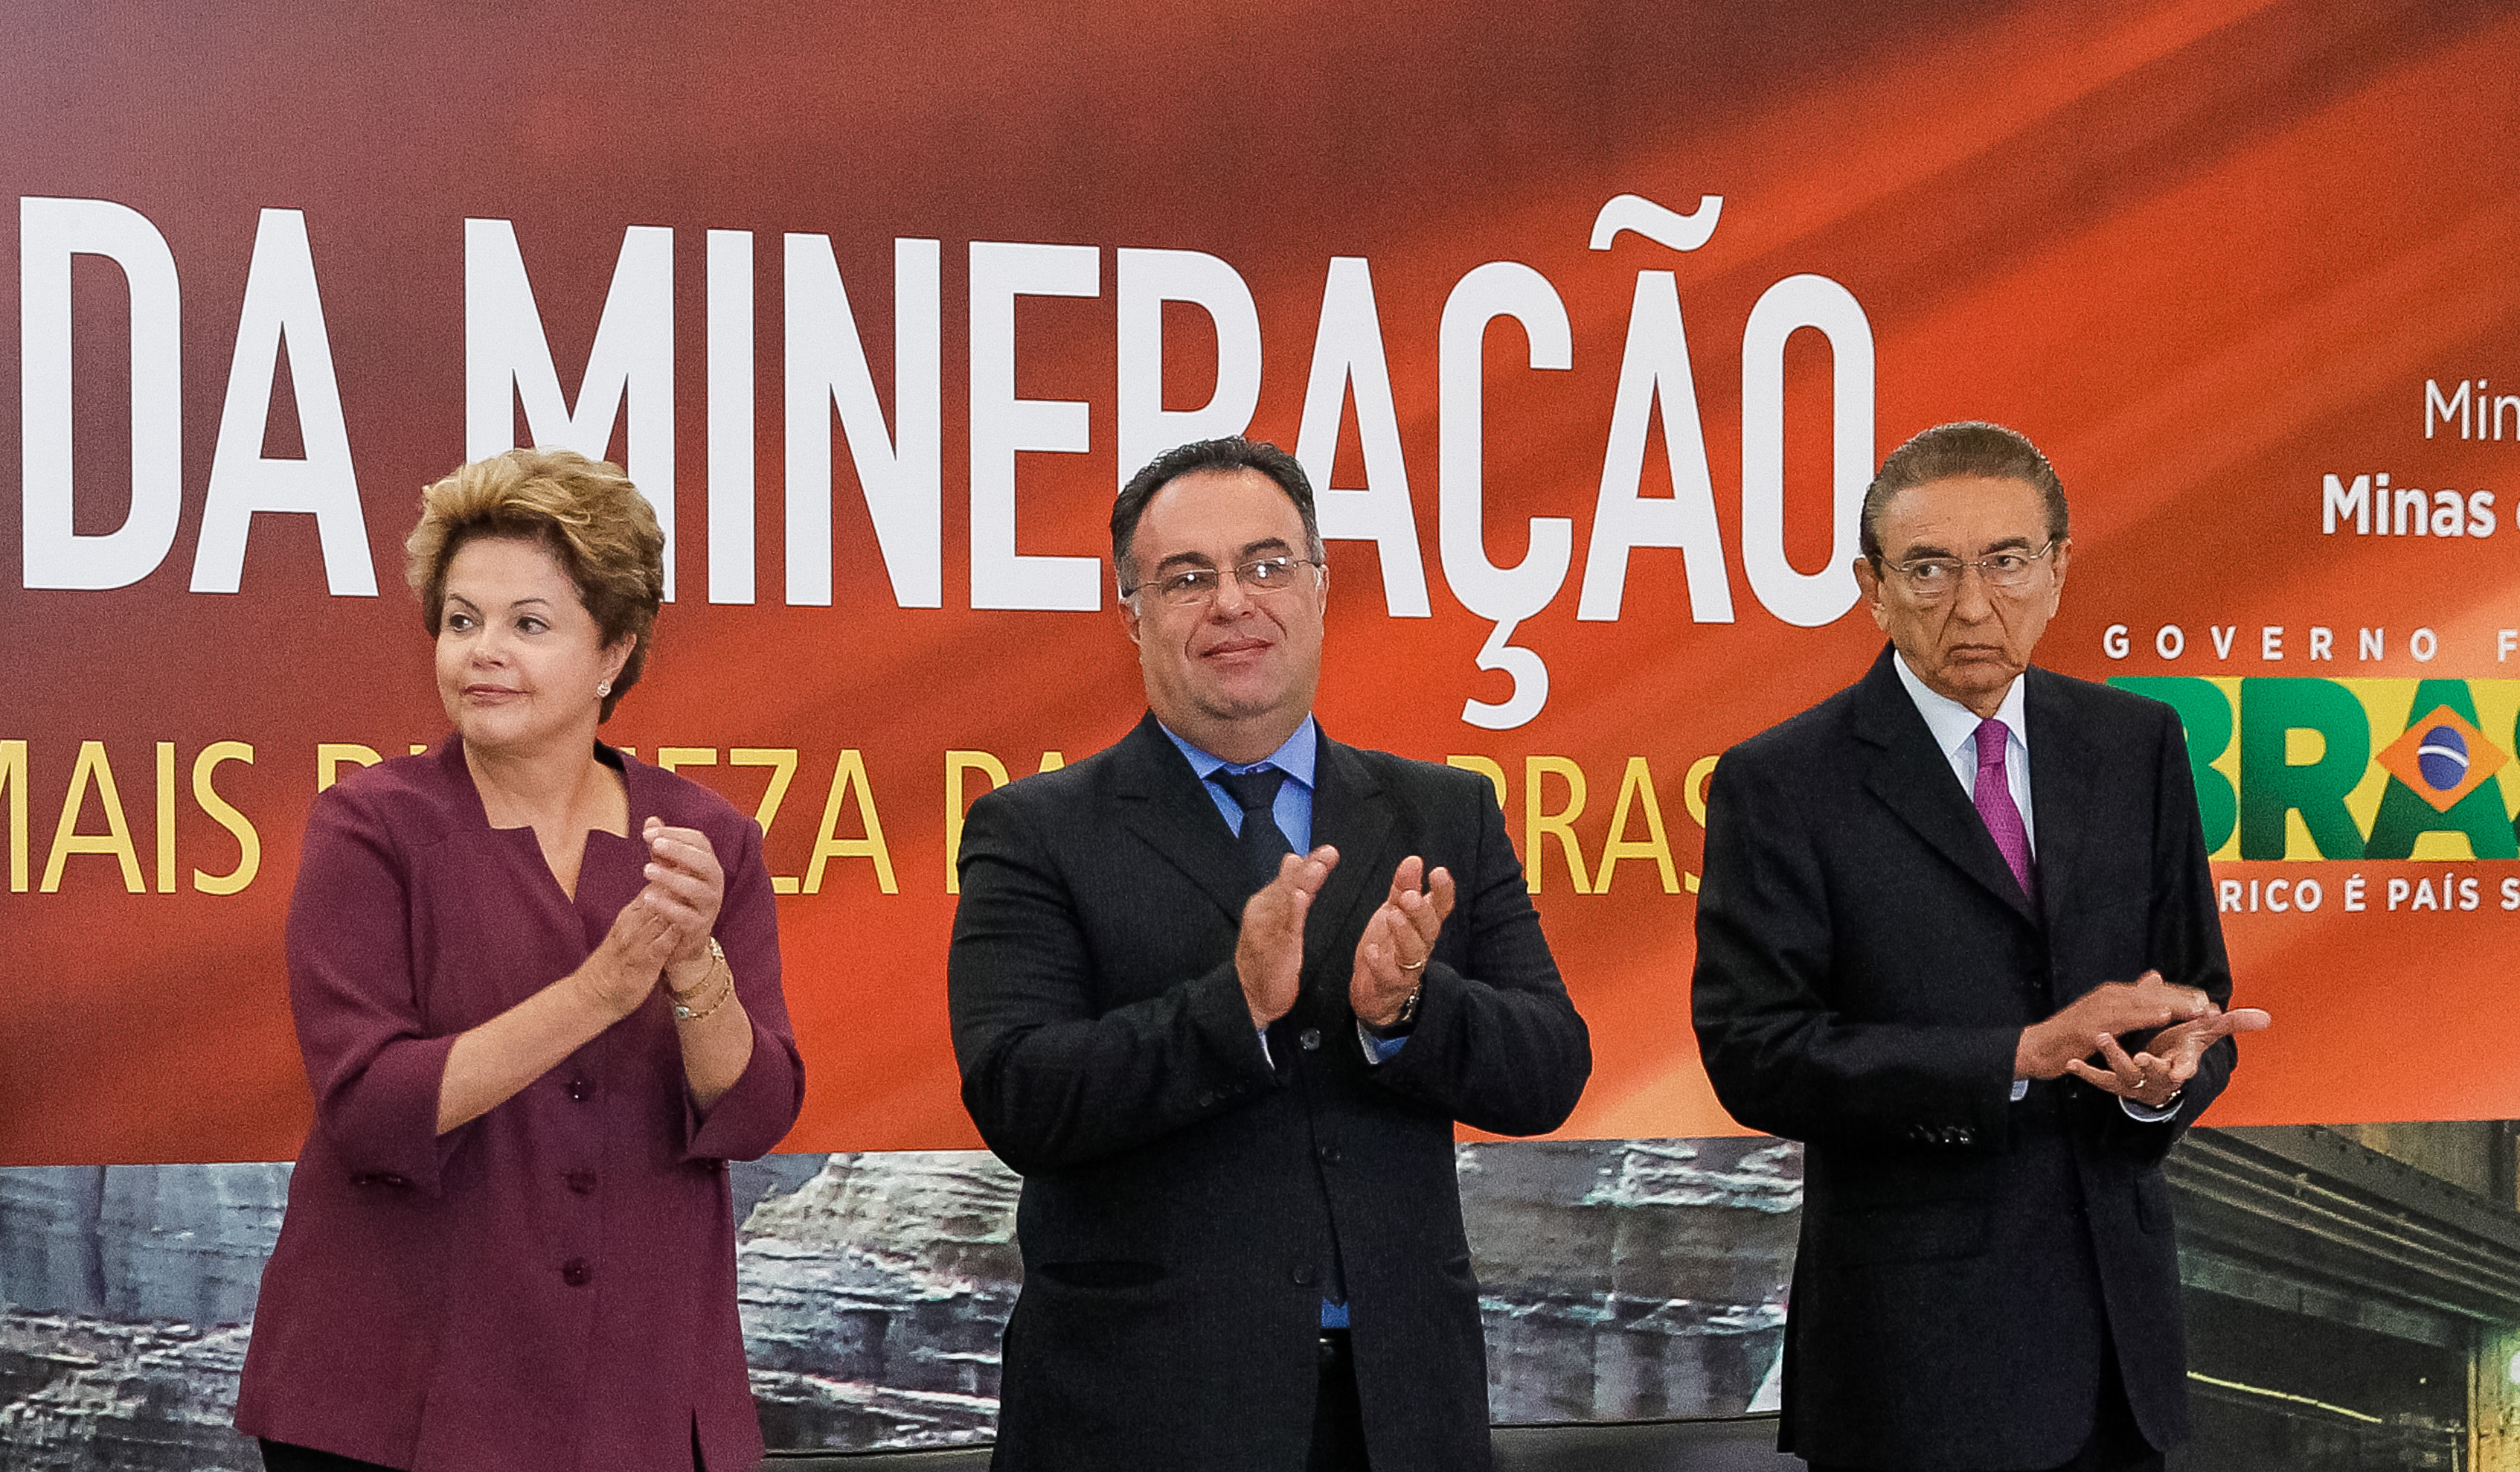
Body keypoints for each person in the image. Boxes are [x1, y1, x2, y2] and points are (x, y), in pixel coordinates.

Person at [946, 436, 1591, 1472]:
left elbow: (1549, 1068)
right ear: (1132, 614)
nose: (1232, 603)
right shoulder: (1035, 829)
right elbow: (1018, 1094)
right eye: (1186, 577)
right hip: (1146, 1422)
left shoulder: (1444, 810)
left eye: (1265, 565)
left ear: (1319, 588)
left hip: (1401, 1419)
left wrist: (1408, 1012)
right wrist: (1234, 1007)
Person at [1691, 421, 2269, 1472]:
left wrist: (2162, 1081)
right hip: (1911, 1369)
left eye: (2005, 562)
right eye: (1928, 569)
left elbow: (2195, 994)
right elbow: (1754, 1051)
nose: (1970, 605)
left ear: (2056, 570)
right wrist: (2013, 1055)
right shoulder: (1783, 781)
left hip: (2118, 1360)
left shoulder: (2136, 745)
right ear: (1871, 587)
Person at [235, 448, 805, 1472]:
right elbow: (369, 1107)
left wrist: (693, 972)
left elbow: (757, 1110)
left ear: (614, 651)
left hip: (636, 1400)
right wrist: (600, 990)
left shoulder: (706, 838)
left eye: (528, 624)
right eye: (462, 621)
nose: (482, 653)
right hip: (396, 1399)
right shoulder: (370, 825)